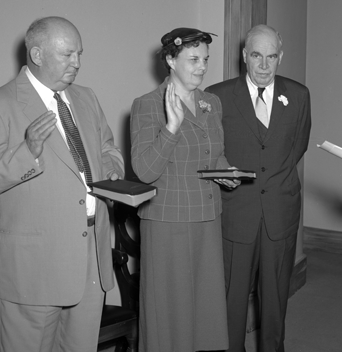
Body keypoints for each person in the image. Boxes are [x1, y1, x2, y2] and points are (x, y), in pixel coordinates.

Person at [0, 16, 124, 351]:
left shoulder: (86, 98)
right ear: (37, 55)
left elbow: (108, 148)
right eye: (67, 55)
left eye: (79, 53)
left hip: (88, 262)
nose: (77, 63)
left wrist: (113, 172)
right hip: (29, 273)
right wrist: (27, 152)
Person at [130, 27, 238, 352]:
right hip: (168, 224)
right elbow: (145, 170)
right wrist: (172, 127)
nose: (202, 67)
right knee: (170, 316)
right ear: (170, 60)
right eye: (193, 59)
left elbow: (212, 153)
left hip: (206, 217)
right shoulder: (147, 105)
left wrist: (226, 171)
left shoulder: (211, 103)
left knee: (204, 313)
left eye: (205, 59)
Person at [205, 24, 312, 352]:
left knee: (276, 298)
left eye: (271, 56)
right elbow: (211, 152)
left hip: (281, 211)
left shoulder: (298, 95)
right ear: (243, 57)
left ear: (281, 57)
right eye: (256, 56)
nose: (264, 65)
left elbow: (298, 147)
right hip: (237, 212)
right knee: (231, 300)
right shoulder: (218, 96)